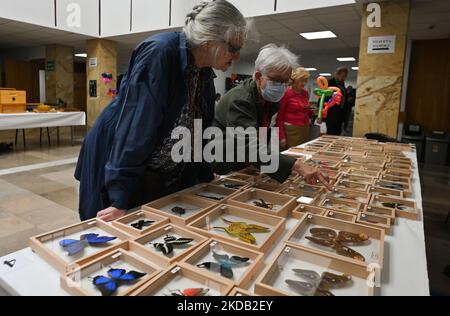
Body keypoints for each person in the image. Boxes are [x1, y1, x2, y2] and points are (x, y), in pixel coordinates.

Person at [74, 0, 249, 221]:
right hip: (116, 157)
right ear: (208, 41)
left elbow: (198, 131)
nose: (237, 57)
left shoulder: (204, 73)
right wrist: (120, 197)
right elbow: (135, 128)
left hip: (153, 170)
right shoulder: (160, 52)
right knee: (111, 231)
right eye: (233, 48)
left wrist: (204, 174)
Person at [213, 44, 332, 187]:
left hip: (246, 162)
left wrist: (281, 166)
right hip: (223, 163)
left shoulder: (270, 99)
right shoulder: (241, 99)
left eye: (285, 81)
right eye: (277, 80)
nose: (281, 86)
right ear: (258, 77)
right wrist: (296, 165)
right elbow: (248, 145)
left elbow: (263, 138)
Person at [277, 67, 314, 150]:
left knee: (303, 152)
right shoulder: (286, 93)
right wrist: (281, 136)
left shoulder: (305, 93)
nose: (304, 83)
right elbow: (279, 118)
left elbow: (305, 111)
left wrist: (313, 113)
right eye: (302, 80)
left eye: (305, 80)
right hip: (291, 130)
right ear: (295, 80)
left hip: (304, 128)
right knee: (292, 155)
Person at [325, 67, 348, 135]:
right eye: (343, 76)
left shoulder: (342, 83)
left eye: (345, 76)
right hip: (331, 112)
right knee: (331, 132)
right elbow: (323, 97)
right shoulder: (330, 82)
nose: (344, 78)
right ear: (337, 74)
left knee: (338, 132)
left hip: (340, 112)